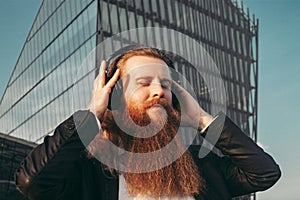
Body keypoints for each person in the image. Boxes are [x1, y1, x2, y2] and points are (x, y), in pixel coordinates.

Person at [15, 47, 281, 200]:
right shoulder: (89, 170)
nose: (159, 91)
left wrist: (201, 119)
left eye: (165, 85)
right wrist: (92, 114)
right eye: (144, 83)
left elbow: (263, 173)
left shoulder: (198, 167)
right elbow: (32, 182)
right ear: (115, 97)